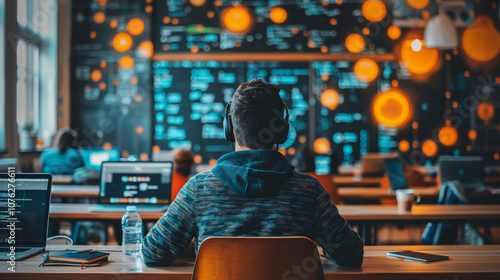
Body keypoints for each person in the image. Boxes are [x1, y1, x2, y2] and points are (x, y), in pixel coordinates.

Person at [143, 79, 364, 267]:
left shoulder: (198, 190)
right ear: (282, 130)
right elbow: (351, 255)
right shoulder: (310, 192)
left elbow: (152, 253)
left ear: (229, 129)